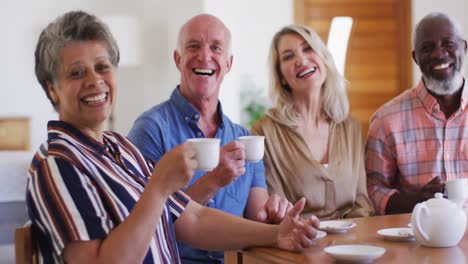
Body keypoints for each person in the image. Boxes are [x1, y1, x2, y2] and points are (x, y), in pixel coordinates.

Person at [26, 10, 321, 264]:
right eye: (77, 73)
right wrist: (159, 187)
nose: (95, 81)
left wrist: (277, 233)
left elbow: (193, 219)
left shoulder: (120, 148)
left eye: (102, 67)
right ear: (52, 88)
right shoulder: (57, 164)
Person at [128, 14, 294, 263]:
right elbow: (145, 225)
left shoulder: (244, 138)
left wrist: (277, 214)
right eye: (193, 46)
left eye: (216, 48)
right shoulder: (150, 129)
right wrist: (215, 179)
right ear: (178, 59)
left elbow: (258, 216)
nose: (204, 56)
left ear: (228, 63)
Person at [251, 24, 374, 220]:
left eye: (308, 48)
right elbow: (276, 210)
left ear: (323, 58)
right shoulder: (264, 132)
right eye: (288, 56)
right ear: (281, 77)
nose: (301, 59)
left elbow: (362, 202)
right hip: (296, 244)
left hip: (351, 243)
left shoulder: (350, 127)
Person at [365, 12, 468, 215]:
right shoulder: (386, 120)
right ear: (415, 58)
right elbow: (372, 190)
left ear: (464, 47)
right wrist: (416, 202)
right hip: (415, 238)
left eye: (448, 43)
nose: (439, 54)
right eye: (427, 48)